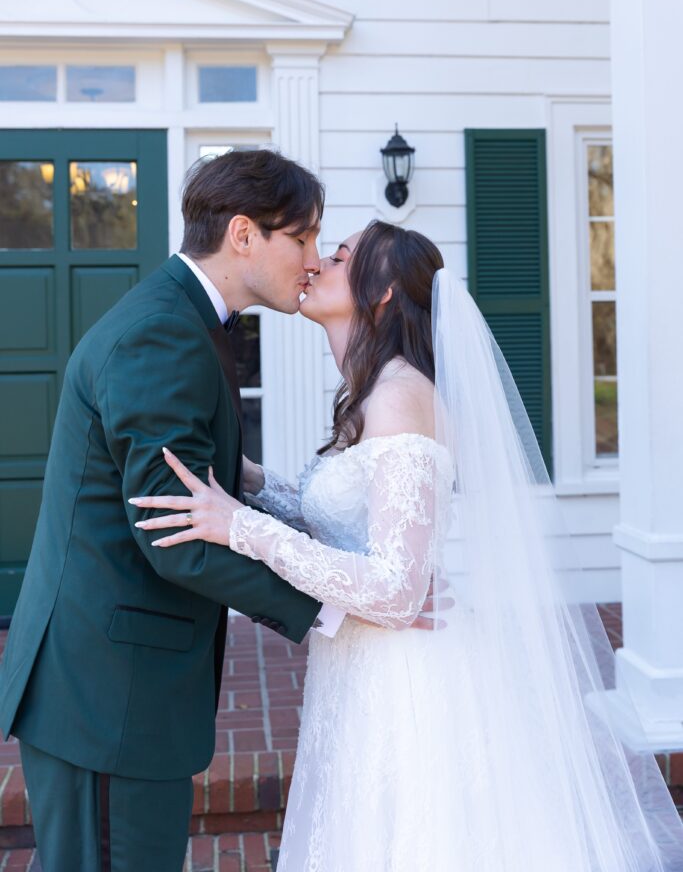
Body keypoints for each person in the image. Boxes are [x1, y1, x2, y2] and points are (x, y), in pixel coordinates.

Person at [136, 219, 683, 871]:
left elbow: (396, 592)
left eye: (338, 256)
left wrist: (239, 527)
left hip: (409, 682)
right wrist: (250, 482)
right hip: (362, 667)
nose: (316, 263)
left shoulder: (399, 398)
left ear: (385, 292)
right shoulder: (373, 391)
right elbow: (341, 526)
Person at [0, 152, 435, 872]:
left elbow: (198, 482)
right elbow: (174, 538)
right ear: (242, 235)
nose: (310, 259)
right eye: (302, 238)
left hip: (117, 688)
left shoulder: (187, 321)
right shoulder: (165, 333)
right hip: (107, 693)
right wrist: (335, 610)